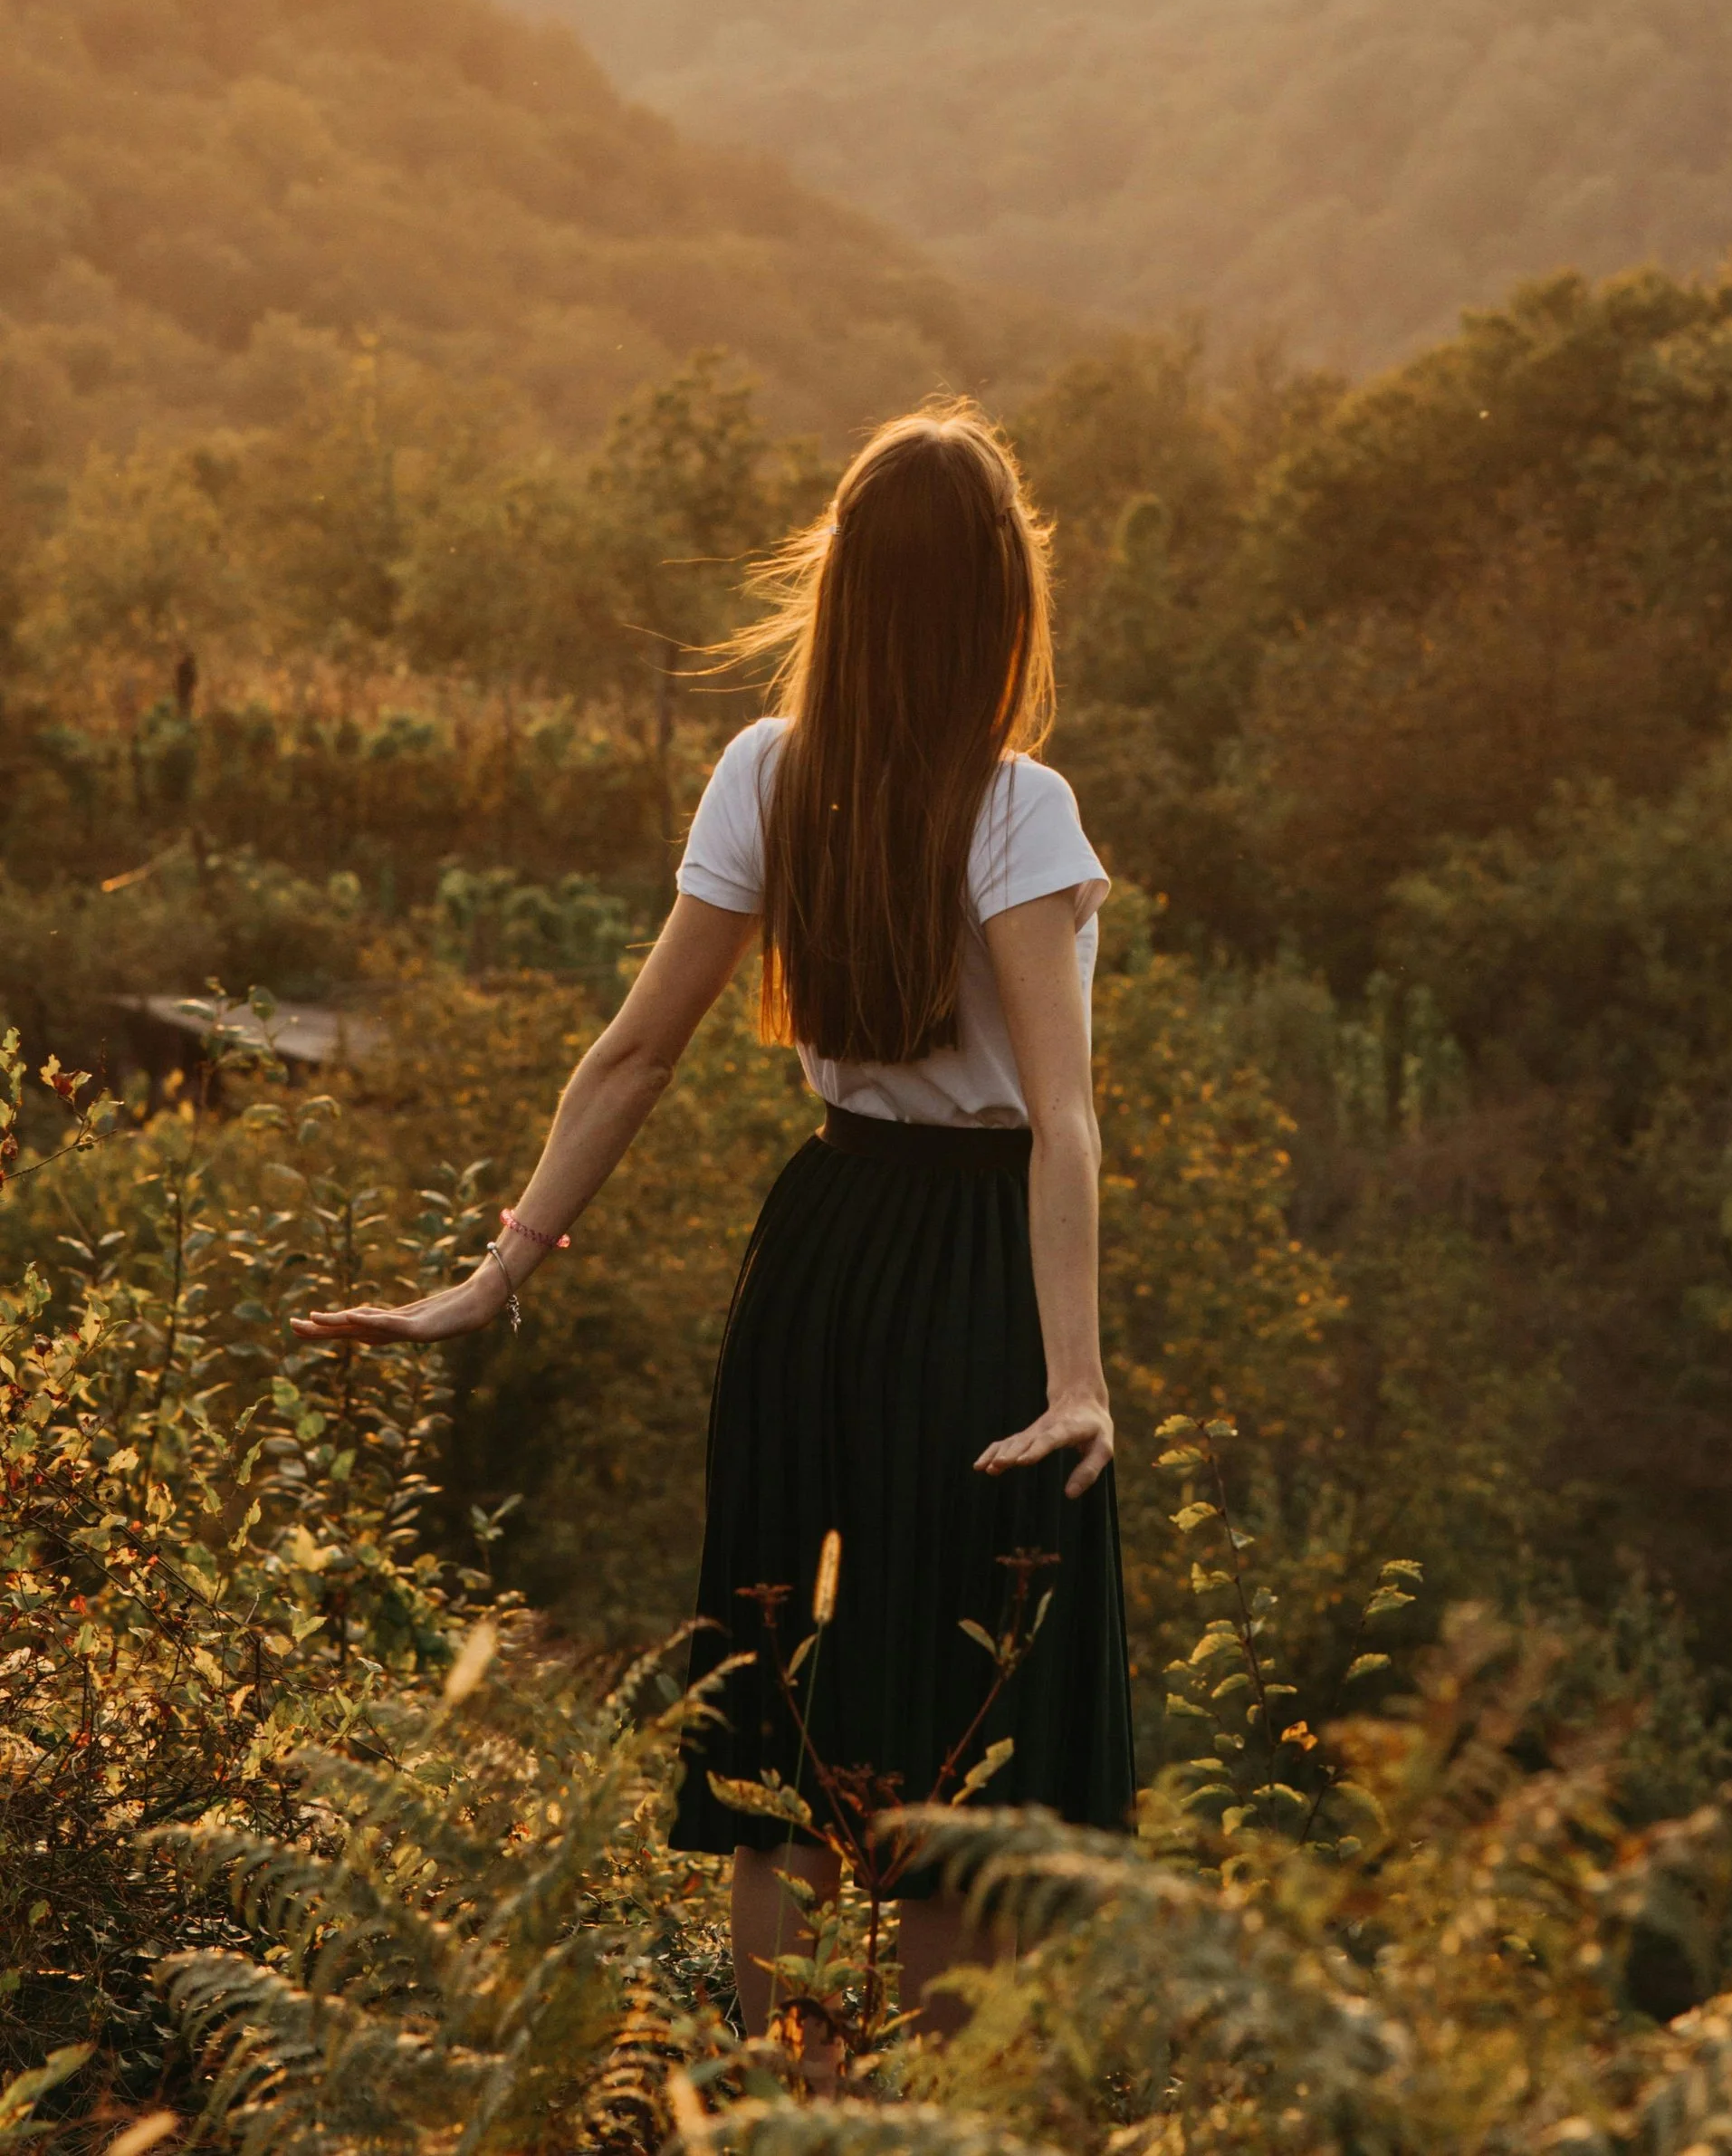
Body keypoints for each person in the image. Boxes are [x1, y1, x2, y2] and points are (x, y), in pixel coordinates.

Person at [293, 403, 1137, 2051]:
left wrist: (497, 1270)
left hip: (816, 1260)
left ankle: (781, 2099)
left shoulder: (770, 769)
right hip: (978, 1291)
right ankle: (914, 2113)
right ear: (997, 601)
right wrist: (1081, 1378)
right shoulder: (1021, 806)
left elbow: (634, 1052)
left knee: (791, 1740)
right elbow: (1064, 1119)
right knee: (952, 1749)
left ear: (844, 591)